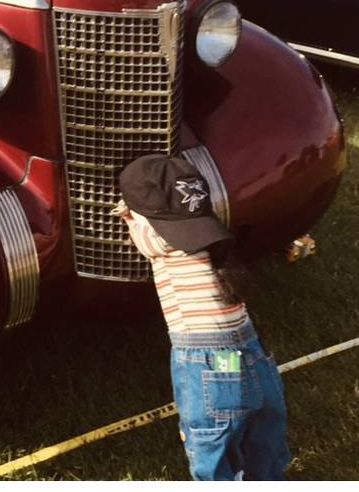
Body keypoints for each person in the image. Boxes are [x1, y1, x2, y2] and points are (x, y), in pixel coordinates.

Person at [114, 155, 290, 481]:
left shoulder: (160, 242)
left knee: (212, 439)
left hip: (207, 358)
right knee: (260, 431)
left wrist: (125, 210)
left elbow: (139, 233)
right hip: (246, 350)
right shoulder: (212, 237)